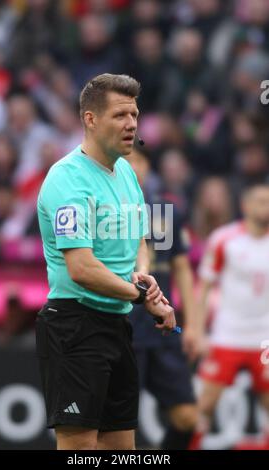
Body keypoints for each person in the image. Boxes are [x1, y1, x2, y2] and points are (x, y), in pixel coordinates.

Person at [36, 73, 176, 451]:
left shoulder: (126, 171)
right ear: (90, 119)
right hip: (74, 326)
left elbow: (141, 239)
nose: (131, 123)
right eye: (119, 115)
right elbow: (81, 269)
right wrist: (138, 294)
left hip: (117, 324)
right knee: (80, 450)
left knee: (120, 448)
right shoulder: (67, 180)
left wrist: (143, 277)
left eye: (134, 114)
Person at [127, 149, 198, 450]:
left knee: (187, 417)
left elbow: (181, 268)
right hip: (124, 331)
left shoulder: (165, 212)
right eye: (124, 161)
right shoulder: (102, 211)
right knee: (119, 426)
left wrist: (193, 326)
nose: (132, 167)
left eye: (138, 161)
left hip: (163, 329)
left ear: (147, 167)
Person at [193, 181, 269, 449]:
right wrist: (197, 330)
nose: (266, 207)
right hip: (228, 335)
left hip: (264, 338)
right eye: (260, 201)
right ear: (245, 206)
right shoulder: (225, 240)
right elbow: (203, 287)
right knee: (206, 403)